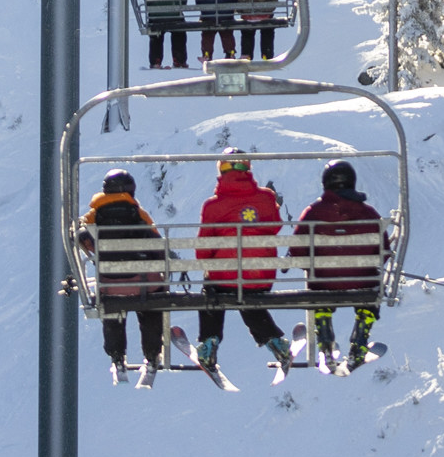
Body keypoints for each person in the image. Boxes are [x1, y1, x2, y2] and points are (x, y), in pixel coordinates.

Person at [192, 155, 292, 375]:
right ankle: (274, 340)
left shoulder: (213, 205)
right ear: (248, 168)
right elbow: (275, 227)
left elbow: (203, 246)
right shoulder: (266, 198)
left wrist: (210, 264)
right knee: (248, 295)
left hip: (224, 278)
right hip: (260, 274)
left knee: (212, 291)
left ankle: (209, 341)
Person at [294, 159, 389, 370]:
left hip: (323, 283)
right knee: (370, 288)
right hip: (363, 283)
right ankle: (359, 343)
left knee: (317, 289)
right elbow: (383, 250)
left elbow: (298, 249)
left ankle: (325, 342)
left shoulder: (313, 213)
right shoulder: (369, 213)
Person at [81, 170, 171, 377]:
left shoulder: (93, 217)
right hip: (142, 283)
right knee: (150, 306)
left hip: (110, 284)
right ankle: (151, 355)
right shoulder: (138, 214)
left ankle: (117, 357)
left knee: (112, 306)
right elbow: (158, 246)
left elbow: (84, 240)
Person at [143, 0, 189, 69]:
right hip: (175, 17)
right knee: (179, 33)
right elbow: (183, 0)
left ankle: (156, 60)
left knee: (156, 37)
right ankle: (179, 59)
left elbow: (147, 2)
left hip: (156, 18)